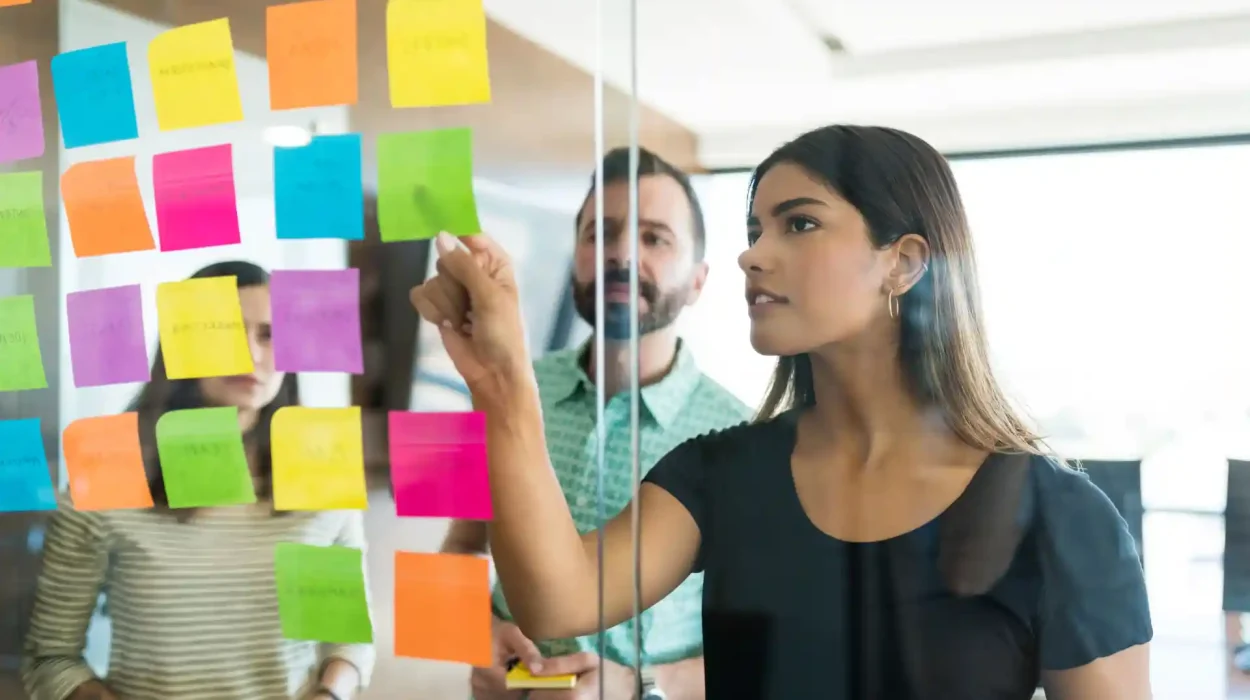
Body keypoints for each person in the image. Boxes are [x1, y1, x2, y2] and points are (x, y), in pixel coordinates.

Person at [410, 126, 1154, 699]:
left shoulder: (1063, 520)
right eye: (756, 230)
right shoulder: (719, 471)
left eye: (798, 224)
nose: (754, 256)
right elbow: (556, 596)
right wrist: (501, 385)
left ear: (903, 262)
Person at [441, 147, 751, 699]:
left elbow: (764, 643)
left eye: (655, 238)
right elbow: (458, 545)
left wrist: (640, 686)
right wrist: (471, 630)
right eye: (599, 234)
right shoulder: (500, 392)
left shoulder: (743, 438)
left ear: (700, 280)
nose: (621, 255)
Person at [21, 261, 375, 700]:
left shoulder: (322, 473)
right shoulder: (106, 479)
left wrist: (329, 694)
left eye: (269, 334)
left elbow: (346, 637)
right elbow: (51, 658)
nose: (250, 352)